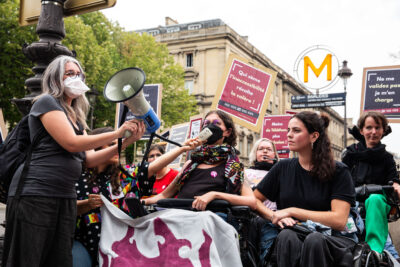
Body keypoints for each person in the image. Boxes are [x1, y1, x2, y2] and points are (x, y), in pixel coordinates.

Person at [2, 55, 145, 267]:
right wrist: (117, 133)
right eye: (70, 73)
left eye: (79, 74)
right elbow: (71, 143)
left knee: (59, 259)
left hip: (64, 197)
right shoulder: (46, 102)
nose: (76, 78)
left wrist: (126, 141)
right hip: (36, 194)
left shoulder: (76, 117)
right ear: (55, 79)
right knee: (28, 259)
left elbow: (88, 158)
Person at [254, 111, 356, 267]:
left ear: (314, 136)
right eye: (288, 130)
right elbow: (254, 200)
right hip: (290, 236)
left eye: (296, 130)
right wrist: (275, 216)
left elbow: (339, 220)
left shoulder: (339, 171)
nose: (289, 135)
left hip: (329, 239)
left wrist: (292, 211)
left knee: (314, 240)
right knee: (287, 235)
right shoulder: (282, 167)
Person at [144, 110, 256, 211]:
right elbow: (164, 196)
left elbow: (251, 201)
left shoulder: (234, 166)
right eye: (206, 124)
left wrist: (215, 195)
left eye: (216, 123)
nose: (210, 126)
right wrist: (142, 201)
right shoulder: (190, 164)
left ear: (227, 132)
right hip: (179, 219)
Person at [342, 111, 400, 261]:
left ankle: (375, 250)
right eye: (369, 128)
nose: (373, 132)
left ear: (383, 130)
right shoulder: (349, 154)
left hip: (378, 205)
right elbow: (339, 178)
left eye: (377, 127)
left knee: (374, 200)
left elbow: (394, 180)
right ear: (361, 130)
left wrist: (396, 185)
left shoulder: (387, 158)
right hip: (352, 205)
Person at [245, 138, 279, 210]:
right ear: (255, 153)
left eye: (269, 149)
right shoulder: (245, 172)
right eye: (261, 149)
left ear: (274, 154)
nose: (265, 151)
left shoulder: (280, 173)